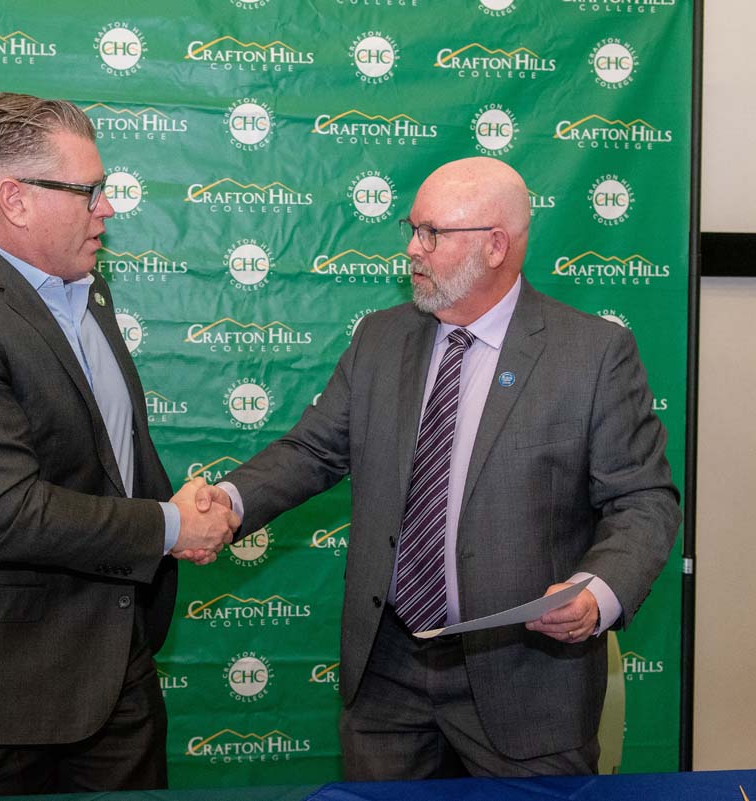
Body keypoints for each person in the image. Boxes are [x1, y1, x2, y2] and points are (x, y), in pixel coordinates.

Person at [202, 157, 680, 778]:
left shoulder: (590, 355)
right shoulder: (380, 338)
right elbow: (312, 450)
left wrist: (599, 592)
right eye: (412, 228)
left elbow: (643, 500)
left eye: (431, 233)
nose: (411, 249)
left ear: (495, 246)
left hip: (526, 675)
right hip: (388, 672)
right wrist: (230, 503)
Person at [0, 92, 237, 797]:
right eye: (89, 190)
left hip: (112, 653)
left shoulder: (87, 294)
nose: (108, 208)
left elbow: (109, 455)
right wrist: (173, 524)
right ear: (16, 199)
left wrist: (178, 513)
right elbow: (4, 513)